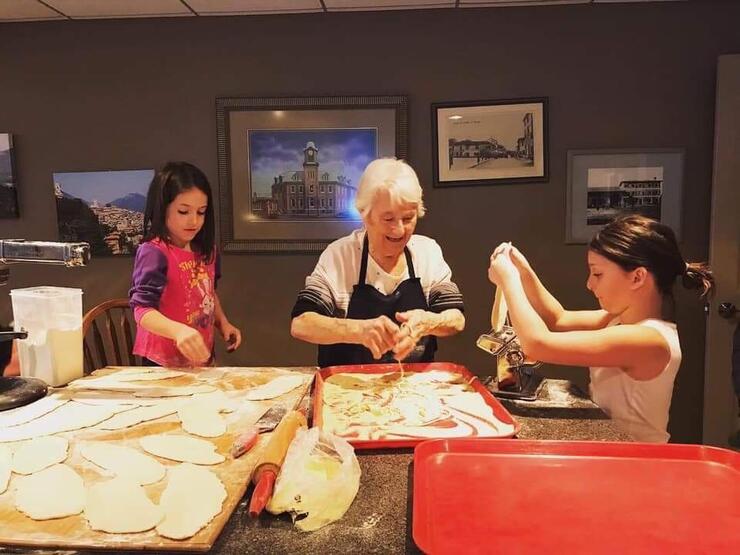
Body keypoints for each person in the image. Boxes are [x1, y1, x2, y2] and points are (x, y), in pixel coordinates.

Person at [487, 215, 713, 443]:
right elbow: (558, 318)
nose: (589, 283)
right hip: (613, 446)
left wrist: (509, 279)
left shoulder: (647, 339)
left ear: (637, 277)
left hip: (635, 460)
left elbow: (538, 344)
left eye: (597, 274)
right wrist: (523, 271)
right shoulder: (618, 320)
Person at [290, 158, 465, 368]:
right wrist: (358, 331)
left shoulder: (427, 252)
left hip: (415, 388)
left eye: (408, 218)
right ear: (366, 216)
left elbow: (456, 318)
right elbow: (301, 324)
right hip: (346, 389)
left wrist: (428, 322)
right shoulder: (340, 256)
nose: (399, 230)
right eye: (388, 219)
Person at [129, 162, 241, 367]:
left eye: (201, 212)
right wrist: (177, 330)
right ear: (163, 209)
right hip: (163, 362)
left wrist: (222, 322)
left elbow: (208, 292)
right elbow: (141, 310)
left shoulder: (207, 249)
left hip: (200, 356)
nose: (194, 221)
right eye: (183, 211)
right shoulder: (154, 251)